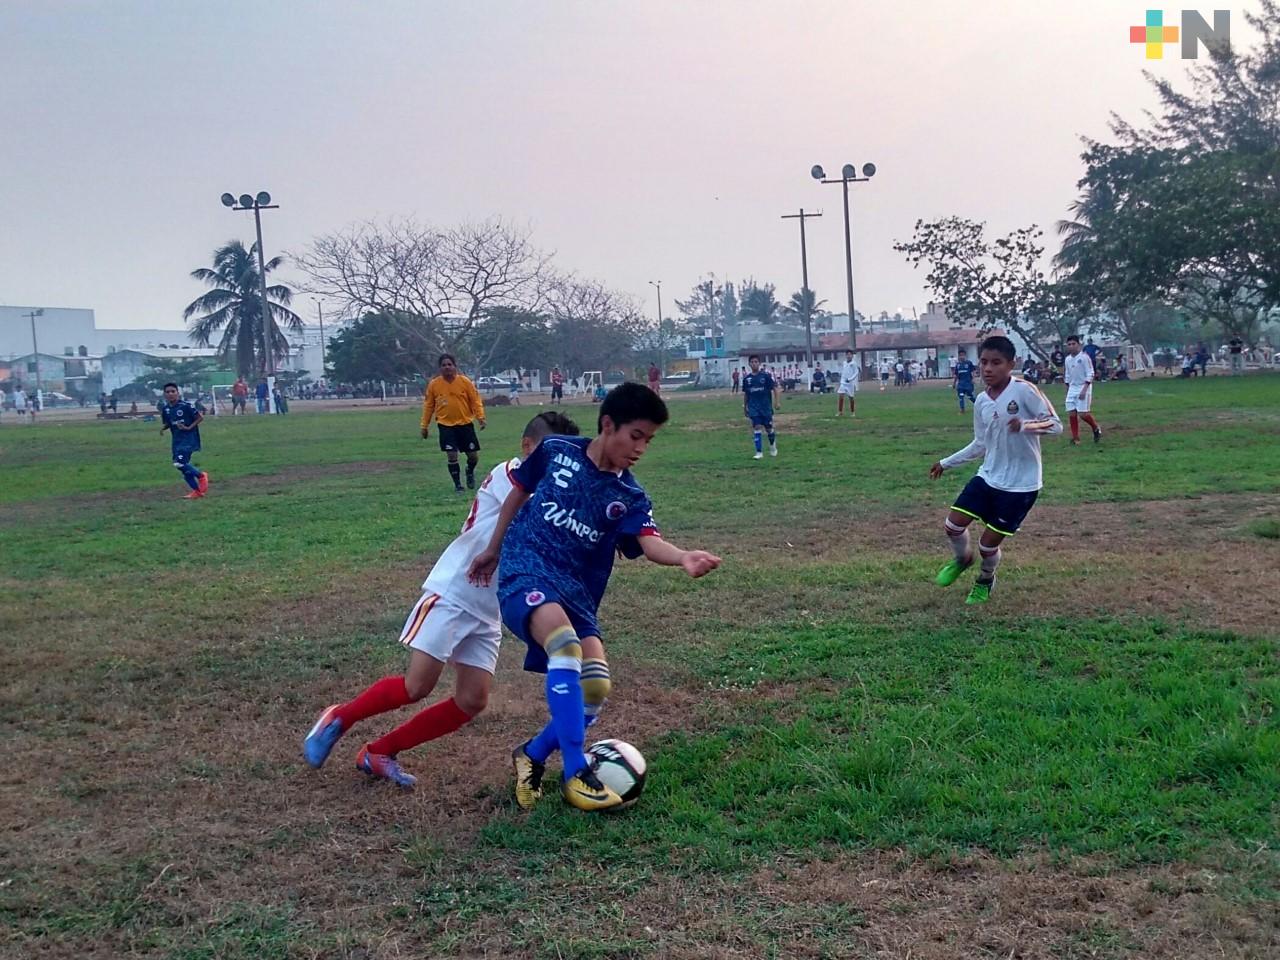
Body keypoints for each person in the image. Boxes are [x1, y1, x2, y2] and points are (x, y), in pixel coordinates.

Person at [467, 383, 721, 810]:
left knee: (596, 686)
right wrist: (494, 546)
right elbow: (518, 492)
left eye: (649, 440)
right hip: (526, 569)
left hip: (575, 593)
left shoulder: (629, 496)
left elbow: (647, 540)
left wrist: (682, 557)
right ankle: (575, 774)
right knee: (565, 647)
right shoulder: (556, 451)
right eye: (636, 436)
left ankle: (529, 754)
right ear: (608, 425)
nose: (641, 448)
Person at [303, 411, 582, 788]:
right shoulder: (509, 474)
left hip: (488, 609)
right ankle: (340, 717)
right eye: (550, 456)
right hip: (456, 592)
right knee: (416, 686)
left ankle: (379, 752)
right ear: (527, 447)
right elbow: (530, 513)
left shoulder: (550, 491)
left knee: (472, 701)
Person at [929, 335, 1061, 605]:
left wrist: (1025, 425)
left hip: (1021, 485)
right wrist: (946, 462)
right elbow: (981, 443)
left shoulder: (1024, 390)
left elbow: (1055, 425)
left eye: (996, 363)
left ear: (1011, 364)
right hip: (989, 476)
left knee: (987, 546)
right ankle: (962, 559)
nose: (988, 368)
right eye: (984, 362)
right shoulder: (981, 401)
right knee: (952, 526)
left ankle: (985, 579)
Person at [420, 354, 487, 494]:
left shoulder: (465, 382)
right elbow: (428, 406)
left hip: (465, 424)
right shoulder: (434, 385)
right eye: (444, 365)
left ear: (455, 366)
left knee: (473, 456)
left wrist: (480, 417)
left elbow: (475, 401)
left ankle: (469, 471)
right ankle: (458, 486)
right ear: (440, 368)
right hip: (445, 425)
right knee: (451, 455)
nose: (447, 367)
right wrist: (424, 426)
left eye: (449, 364)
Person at [159, 383, 209, 499]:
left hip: (189, 440)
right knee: (183, 469)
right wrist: (163, 428)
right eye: (168, 392)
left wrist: (188, 427)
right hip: (176, 441)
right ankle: (197, 492)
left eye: (173, 391)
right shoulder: (166, 409)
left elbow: (200, 418)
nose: (170, 394)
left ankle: (201, 476)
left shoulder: (186, 406)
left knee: (179, 463)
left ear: (178, 392)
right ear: (164, 394)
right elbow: (170, 422)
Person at [1064, 334, 1102, 445]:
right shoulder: (1067, 359)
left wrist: (1084, 389)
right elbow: (1067, 375)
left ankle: (1096, 428)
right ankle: (1076, 438)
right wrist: (1067, 389)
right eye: (1069, 344)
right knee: (1071, 412)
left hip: (1083, 386)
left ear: (1079, 345)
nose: (1071, 346)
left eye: (1073, 344)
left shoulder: (1084, 357)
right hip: (1072, 387)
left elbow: (1091, 373)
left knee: (1083, 414)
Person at [743, 354, 781, 459]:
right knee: (757, 427)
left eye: (756, 362)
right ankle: (759, 452)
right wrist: (745, 406)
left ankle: (773, 447)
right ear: (749, 364)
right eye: (752, 362)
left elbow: (775, 389)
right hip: (754, 407)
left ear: (759, 363)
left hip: (766, 407)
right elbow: (746, 394)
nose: (754, 364)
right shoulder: (747, 379)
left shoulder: (765, 376)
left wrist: (777, 402)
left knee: (769, 428)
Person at [952, 348, 977, 413]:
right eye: (960, 355)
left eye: (963, 355)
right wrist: (954, 383)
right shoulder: (958, 365)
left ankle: (978, 405)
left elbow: (973, 371)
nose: (961, 357)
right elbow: (956, 375)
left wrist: (973, 379)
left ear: (965, 356)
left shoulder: (968, 363)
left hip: (968, 383)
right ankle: (962, 410)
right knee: (961, 396)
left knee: (970, 396)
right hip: (960, 384)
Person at [837, 349, 859, 417]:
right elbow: (843, 371)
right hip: (843, 383)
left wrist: (850, 379)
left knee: (851, 398)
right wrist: (841, 379)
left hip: (850, 384)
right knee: (841, 396)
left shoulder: (854, 363)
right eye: (847, 354)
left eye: (850, 355)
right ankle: (840, 412)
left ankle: (853, 412)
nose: (849, 356)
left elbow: (856, 372)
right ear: (846, 355)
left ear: (852, 356)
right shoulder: (844, 363)